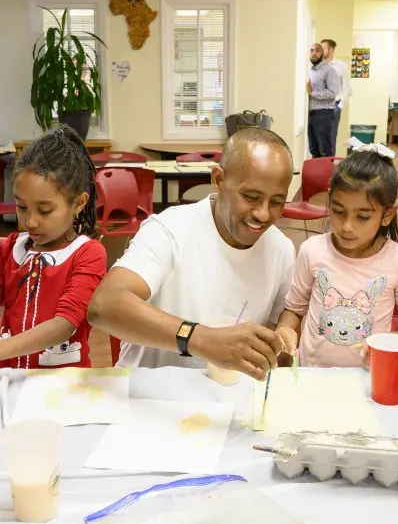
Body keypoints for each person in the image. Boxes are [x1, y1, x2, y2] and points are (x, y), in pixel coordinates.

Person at [87, 128, 296, 381]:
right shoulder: (170, 230)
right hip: (149, 396)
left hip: (229, 400)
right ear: (218, 180)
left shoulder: (280, 250)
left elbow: (280, 328)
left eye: (276, 202)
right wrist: (201, 339)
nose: (263, 214)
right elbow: (104, 305)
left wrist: (283, 339)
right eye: (251, 197)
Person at [0, 127, 106, 382]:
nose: (30, 222)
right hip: (10, 380)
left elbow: (63, 326)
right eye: (22, 207)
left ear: (78, 203)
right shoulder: (11, 249)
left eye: (44, 210)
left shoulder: (88, 254)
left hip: (63, 385)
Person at [276, 144, 398, 367]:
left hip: (369, 379)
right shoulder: (312, 250)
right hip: (313, 374)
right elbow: (294, 310)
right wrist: (285, 329)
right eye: (338, 211)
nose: (346, 226)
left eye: (362, 217)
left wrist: (388, 343)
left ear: (388, 214)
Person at [307, 43, 341, 158]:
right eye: (311, 51)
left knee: (325, 151)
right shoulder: (310, 71)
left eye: (317, 51)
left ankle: (328, 176)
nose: (313, 53)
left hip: (323, 115)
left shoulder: (329, 70)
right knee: (313, 150)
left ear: (323, 53)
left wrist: (312, 93)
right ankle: (316, 175)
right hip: (311, 115)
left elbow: (332, 93)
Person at [321, 39, 352, 150]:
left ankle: (329, 165)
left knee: (330, 138)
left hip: (333, 106)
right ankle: (317, 165)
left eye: (324, 48)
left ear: (331, 49)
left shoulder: (341, 66)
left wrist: (339, 107)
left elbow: (347, 88)